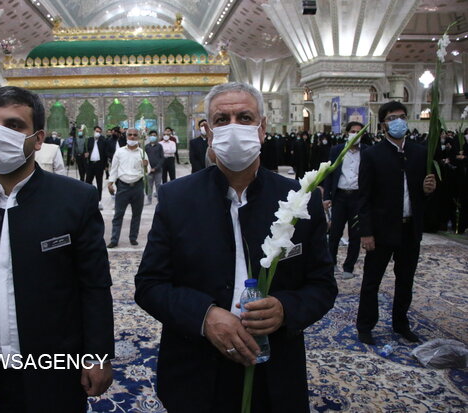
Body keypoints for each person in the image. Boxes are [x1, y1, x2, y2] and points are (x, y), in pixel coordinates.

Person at [135, 82, 337, 412]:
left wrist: (285, 308)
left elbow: (322, 286)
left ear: (262, 129)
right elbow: (150, 285)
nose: (233, 127)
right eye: (221, 119)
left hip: (274, 371)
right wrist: (204, 316)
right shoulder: (177, 199)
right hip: (196, 367)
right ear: (209, 132)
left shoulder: (301, 200)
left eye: (244, 117)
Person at [0, 86, 114, 412]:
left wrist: (97, 355)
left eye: (13, 125)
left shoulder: (74, 199)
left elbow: (94, 285)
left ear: (38, 139)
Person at [356, 101, 436, 345]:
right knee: (372, 280)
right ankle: (366, 325)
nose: (398, 121)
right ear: (383, 124)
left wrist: (427, 190)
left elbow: (420, 194)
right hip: (381, 229)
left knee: (405, 280)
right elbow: (365, 197)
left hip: (409, 227)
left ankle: (401, 324)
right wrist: (366, 232)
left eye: (401, 116)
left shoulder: (420, 152)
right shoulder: (372, 154)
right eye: (392, 118)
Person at [323, 121, 368, 280]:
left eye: (359, 132)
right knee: (335, 232)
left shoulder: (367, 152)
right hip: (340, 196)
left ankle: (348, 266)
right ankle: (331, 262)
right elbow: (330, 173)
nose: (355, 134)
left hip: (357, 197)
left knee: (355, 235)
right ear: (347, 133)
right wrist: (326, 196)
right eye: (353, 131)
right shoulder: (337, 150)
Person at [107, 128, 148, 248]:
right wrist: (110, 183)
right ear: (126, 136)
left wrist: (146, 165)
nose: (132, 137)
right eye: (130, 135)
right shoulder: (119, 152)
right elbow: (114, 169)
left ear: (138, 137)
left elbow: (148, 171)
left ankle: (133, 237)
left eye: (135, 135)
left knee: (136, 214)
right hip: (123, 186)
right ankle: (114, 239)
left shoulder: (142, 152)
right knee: (118, 214)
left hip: (137, 186)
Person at [85, 126, 107, 210]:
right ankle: (87, 199)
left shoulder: (103, 141)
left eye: (99, 132)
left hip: (99, 164)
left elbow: (104, 154)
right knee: (88, 182)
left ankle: (99, 201)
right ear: (94, 131)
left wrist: (105, 166)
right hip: (91, 164)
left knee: (99, 183)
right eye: (97, 131)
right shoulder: (90, 140)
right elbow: (87, 150)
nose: (98, 133)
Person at [144, 130, 164, 205]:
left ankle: (159, 200)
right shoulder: (146, 147)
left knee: (158, 185)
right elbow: (144, 158)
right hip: (149, 170)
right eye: (151, 135)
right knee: (149, 186)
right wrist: (148, 168)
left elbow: (162, 158)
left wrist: (156, 168)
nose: (153, 136)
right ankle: (149, 200)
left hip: (158, 170)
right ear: (149, 137)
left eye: (154, 135)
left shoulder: (159, 146)